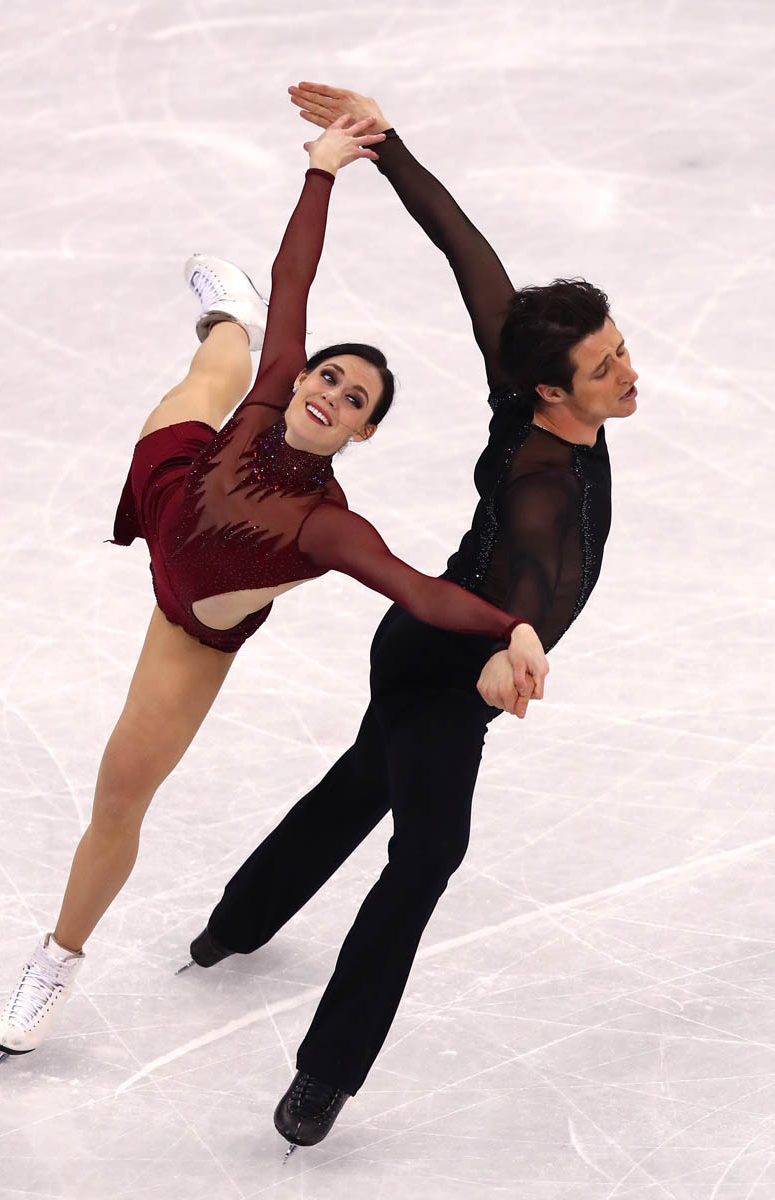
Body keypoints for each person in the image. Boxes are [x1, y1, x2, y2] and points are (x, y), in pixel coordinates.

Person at [0, 115, 548, 1071]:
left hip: (189, 625)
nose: (331, 392)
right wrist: (322, 172)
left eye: (355, 400)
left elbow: (421, 594)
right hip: (173, 478)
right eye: (331, 374)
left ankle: (57, 956)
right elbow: (301, 277)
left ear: (363, 433)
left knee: (119, 795)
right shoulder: (278, 387)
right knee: (220, 367)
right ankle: (228, 320)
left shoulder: (327, 527)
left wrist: (513, 626)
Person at [188, 84, 639, 1154]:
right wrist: (505, 651)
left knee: (364, 777)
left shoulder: (523, 374)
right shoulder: (536, 483)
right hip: (441, 663)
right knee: (427, 850)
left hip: (429, 647)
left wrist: (385, 145)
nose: (629, 374)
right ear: (549, 393)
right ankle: (324, 1076)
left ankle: (233, 925)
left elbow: (463, 248)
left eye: (619, 348)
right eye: (604, 367)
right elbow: (531, 587)